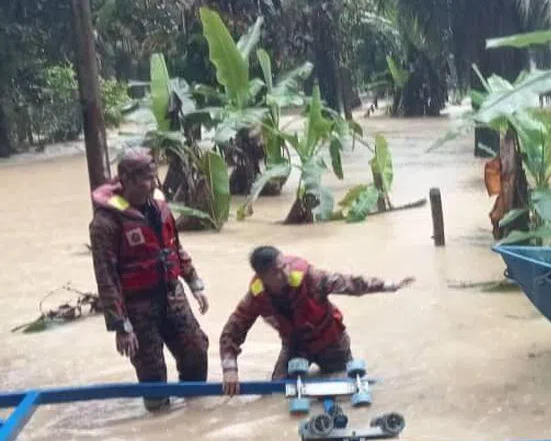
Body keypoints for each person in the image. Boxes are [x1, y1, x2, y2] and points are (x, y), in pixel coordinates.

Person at [89, 147, 210, 412]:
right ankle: (160, 422)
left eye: (154, 176)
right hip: (137, 304)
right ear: (127, 180)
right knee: (152, 371)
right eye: (146, 178)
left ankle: (196, 418)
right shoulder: (106, 222)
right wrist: (121, 325)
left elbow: (174, 247)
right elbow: (106, 276)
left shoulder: (159, 206)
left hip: (171, 293)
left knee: (196, 352)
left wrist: (194, 282)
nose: (153, 184)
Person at [219, 246, 414, 395]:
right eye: (277, 271)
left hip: (330, 341)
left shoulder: (309, 277)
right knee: (277, 393)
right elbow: (232, 331)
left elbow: (350, 284)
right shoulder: (256, 296)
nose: (285, 272)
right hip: (295, 346)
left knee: (346, 389)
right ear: (263, 278)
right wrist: (230, 370)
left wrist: (390, 285)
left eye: (285, 265)